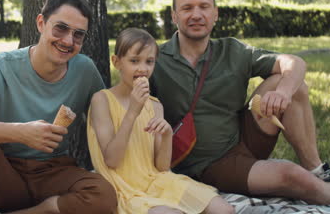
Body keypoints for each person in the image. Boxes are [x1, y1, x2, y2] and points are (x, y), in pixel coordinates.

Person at [150, 0, 330, 206]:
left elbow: (294, 62)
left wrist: (282, 92)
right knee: (290, 175)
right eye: (187, 8)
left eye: (204, 7)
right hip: (206, 164)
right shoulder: (155, 60)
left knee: (292, 83)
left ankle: (316, 170)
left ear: (215, 13)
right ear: (174, 16)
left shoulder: (233, 50)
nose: (196, 15)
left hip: (243, 140)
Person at [0, 0, 117, 214]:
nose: (68, 41)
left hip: (54, 172)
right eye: (60, 28)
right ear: (41, 23)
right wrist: (20, 132)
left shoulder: (85, 70)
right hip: (5, 174)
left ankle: (44, 210)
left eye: (78, 35)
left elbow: (111, 118)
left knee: (104, 195)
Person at [87, 28, 234, 214]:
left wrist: (166, 136)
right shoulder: (102, 100)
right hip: (124, 188)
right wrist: (132, 111)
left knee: (224, 210)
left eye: (149, 62)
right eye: (134, 61)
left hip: (156, 180)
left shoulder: (155, 106)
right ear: (117, 62)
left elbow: (162, 167)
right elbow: (112, 160)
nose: (143, 68)